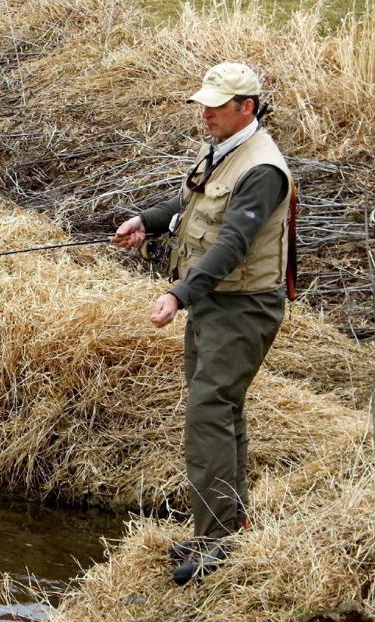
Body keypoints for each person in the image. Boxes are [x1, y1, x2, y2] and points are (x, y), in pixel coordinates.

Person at [113, 62, 294, 585]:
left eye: (217, 105)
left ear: (247, 108)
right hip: (216, 304)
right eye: (204, 103)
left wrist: (178, 294)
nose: (206, 113)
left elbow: (233, 244)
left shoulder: (262, 169)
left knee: (208, 410)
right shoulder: (225, 147)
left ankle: (215, 541)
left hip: (242, 307)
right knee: (218, 405)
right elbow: (194, 202)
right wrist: (146, 221)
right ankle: (225, 525)